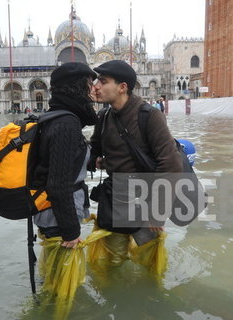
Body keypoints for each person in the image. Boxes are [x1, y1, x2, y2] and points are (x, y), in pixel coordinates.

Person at [89, 60, 183, 268]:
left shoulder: (150, 116)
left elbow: (171, 165)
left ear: (122, 87)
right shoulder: (103, 116)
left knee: (147, 265)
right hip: (115, 201)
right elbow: (94, 149)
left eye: (103, 81)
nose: (95, 85)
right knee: (111, 263)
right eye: (96, 81)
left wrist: (158, 212)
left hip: (145, 204)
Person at [32, 62, 98, 248]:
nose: (94, 89)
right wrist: (70, 232)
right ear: (77, 87)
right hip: (58, 220)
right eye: (89, 84)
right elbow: (58, 185)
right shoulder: (66, 123)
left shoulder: (58, 117)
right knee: (63, 276)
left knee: (53, 274)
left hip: (54, 215)